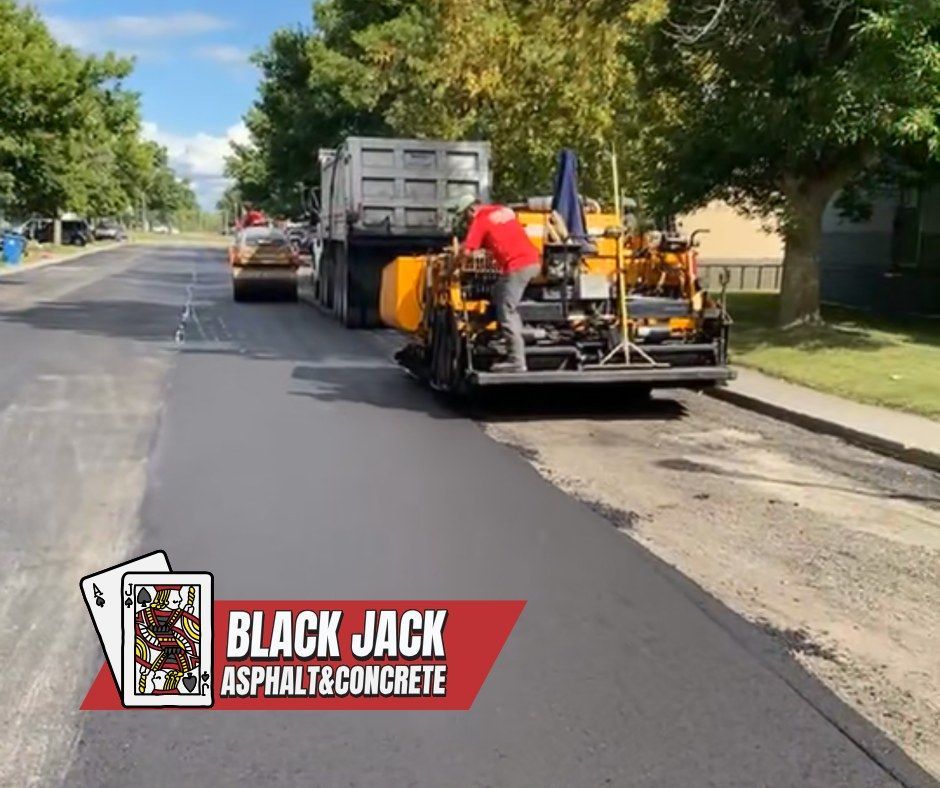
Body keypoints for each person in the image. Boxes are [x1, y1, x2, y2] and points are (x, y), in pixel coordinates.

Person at [455, 195, 541, 372]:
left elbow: (467, 251)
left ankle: (516, 360)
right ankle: (497, 331)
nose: (467, 221)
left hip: (517, 266)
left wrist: (453, 267)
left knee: (507, 311)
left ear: (471, 210)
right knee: (497, 291)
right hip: (533, 262)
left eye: (466, 217)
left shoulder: (480, 219)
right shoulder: (503, 211)